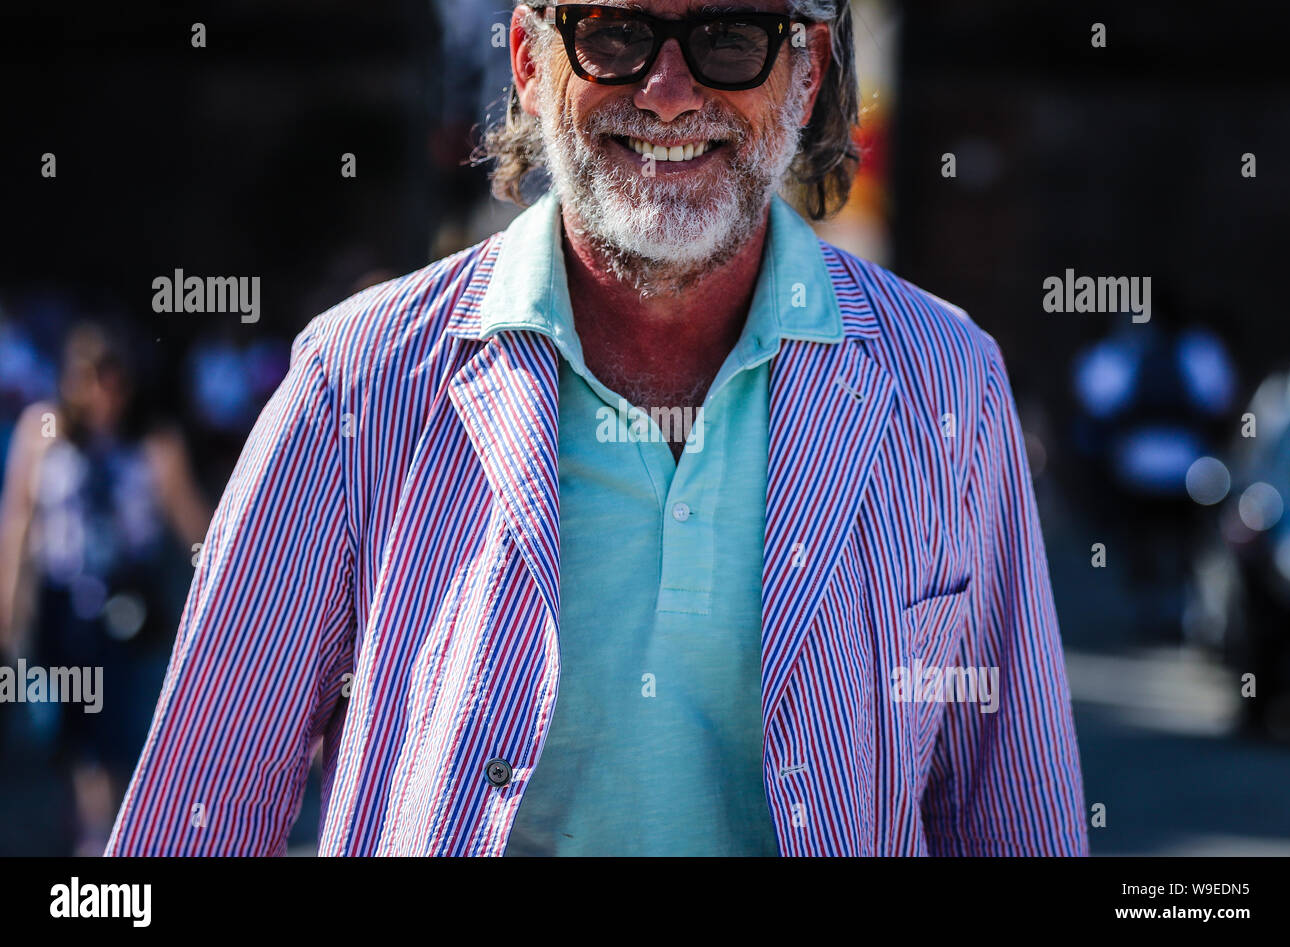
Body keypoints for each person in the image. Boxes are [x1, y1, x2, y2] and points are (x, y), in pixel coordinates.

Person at [106, 1, 1087, 856]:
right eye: (611, 34)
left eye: (731, 38)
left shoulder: (944, 382)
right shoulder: (357, 383)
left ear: (807, 72)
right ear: (532, 64)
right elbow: (200, 811)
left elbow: (1013, 814)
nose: (665, 92)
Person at [0, 322, 209, 855]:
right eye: (92, 381)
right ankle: (90, 829)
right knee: (69, 727)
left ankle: (112, 836)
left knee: (125, 723)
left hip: (128, 607)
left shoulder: (153, 441)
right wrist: (10, 607)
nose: (104, 396)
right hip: (63, 603)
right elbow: (20, 520)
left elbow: (194, 525)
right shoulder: (42, 430)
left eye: (114, 382)